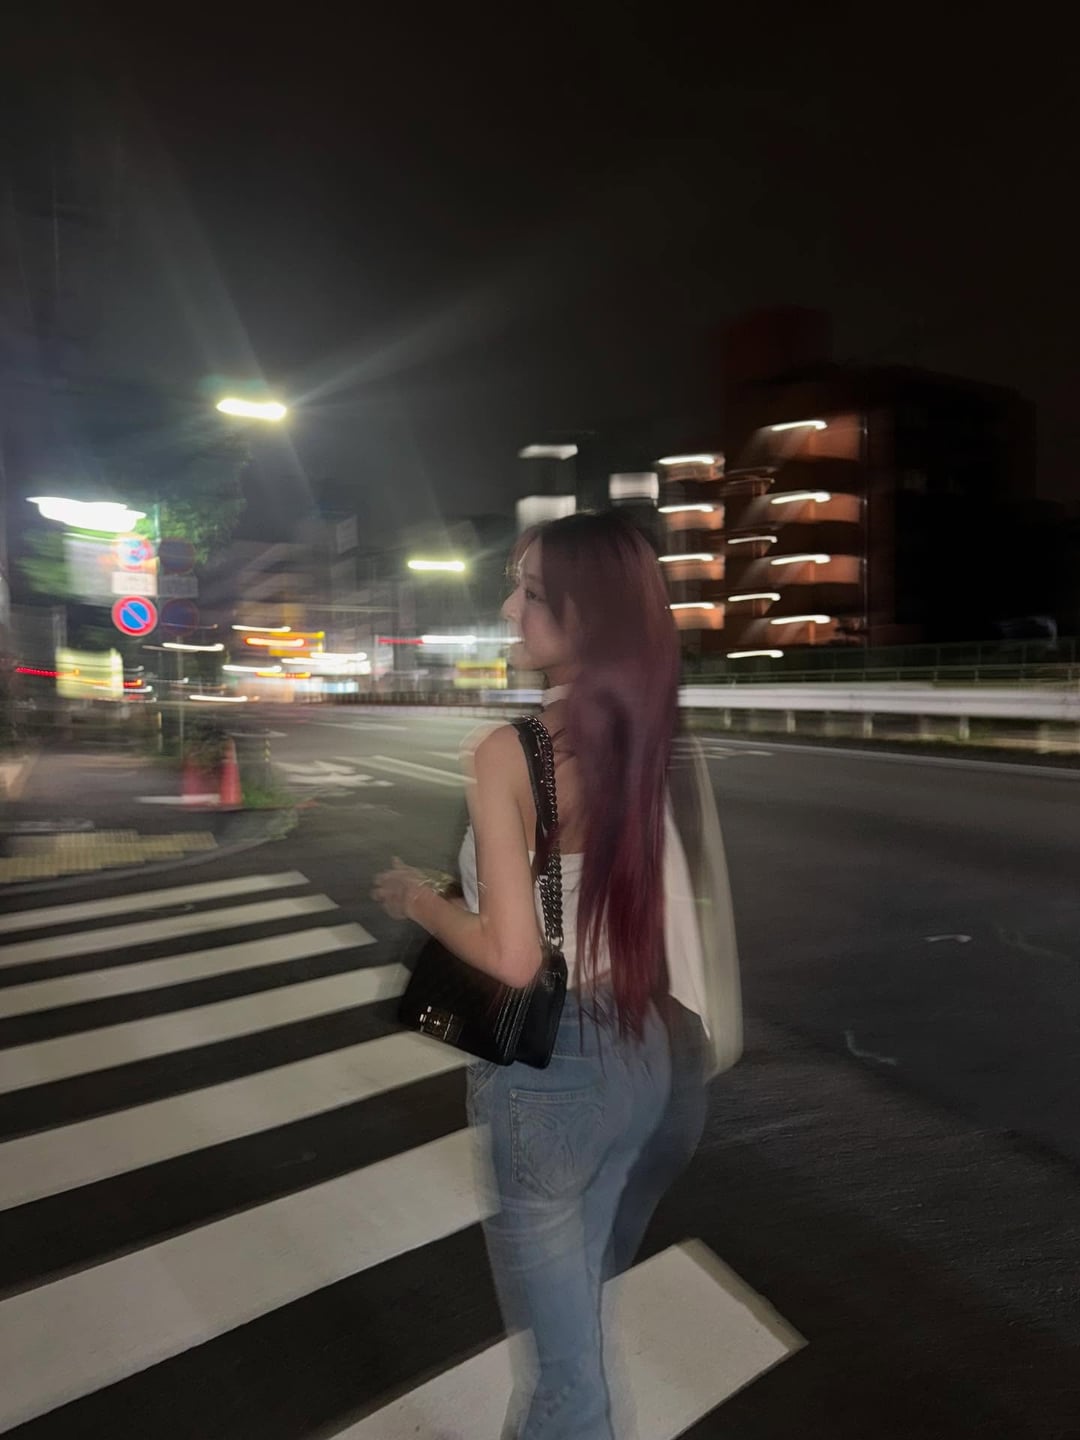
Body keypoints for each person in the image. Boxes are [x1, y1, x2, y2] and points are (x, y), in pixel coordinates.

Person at [373, 510, 741, 1440]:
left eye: (532, 594)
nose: (510, 608)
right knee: (576, 1324)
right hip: (644, 1052)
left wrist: (419, 901)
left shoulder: (510, 753)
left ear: (586, 617)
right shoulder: (645, 729)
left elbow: (512, 957)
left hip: (551, 1077)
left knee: (570, 1378)